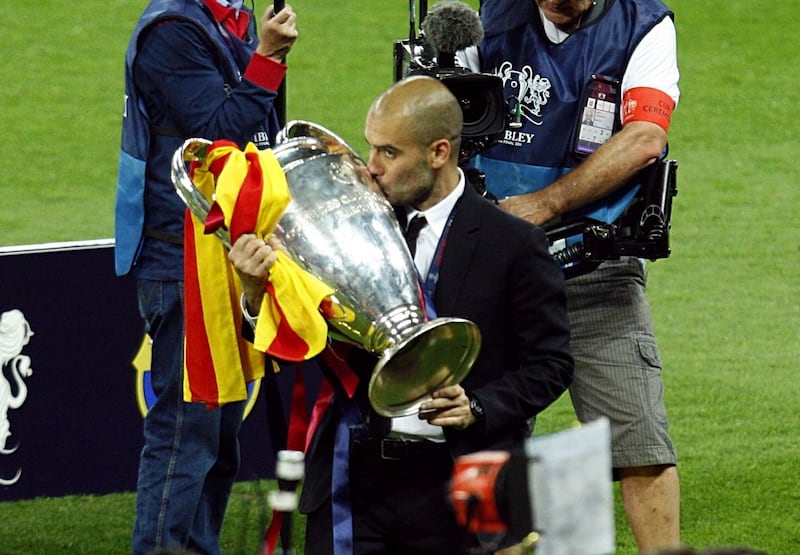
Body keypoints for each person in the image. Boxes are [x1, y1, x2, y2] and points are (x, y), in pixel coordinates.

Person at [230, 75, 574, 554]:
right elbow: (293, 343)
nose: (370, 169)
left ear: (438, 153)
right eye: (371, 148)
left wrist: (477, 407)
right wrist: (253, 293)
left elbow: (551, 365)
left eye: (389, 153)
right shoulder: (341, 229)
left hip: (460, 482)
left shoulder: (512, 244)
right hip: (355, 476)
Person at [466, 0, 682, 551]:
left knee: (639, 446)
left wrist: (545, 203)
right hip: (496, 271)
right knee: (482, 438)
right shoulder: (490, 18)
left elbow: (645, 138)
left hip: (595, 264)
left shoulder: (644, 26)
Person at [113, 1, 297, 553]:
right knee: (183, 436)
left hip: (224, 257)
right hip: (182, 263)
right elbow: (216, 132)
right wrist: (266, 58)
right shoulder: (172, 30)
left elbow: (258, 139)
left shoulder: (228, 21)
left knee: (217, 439)